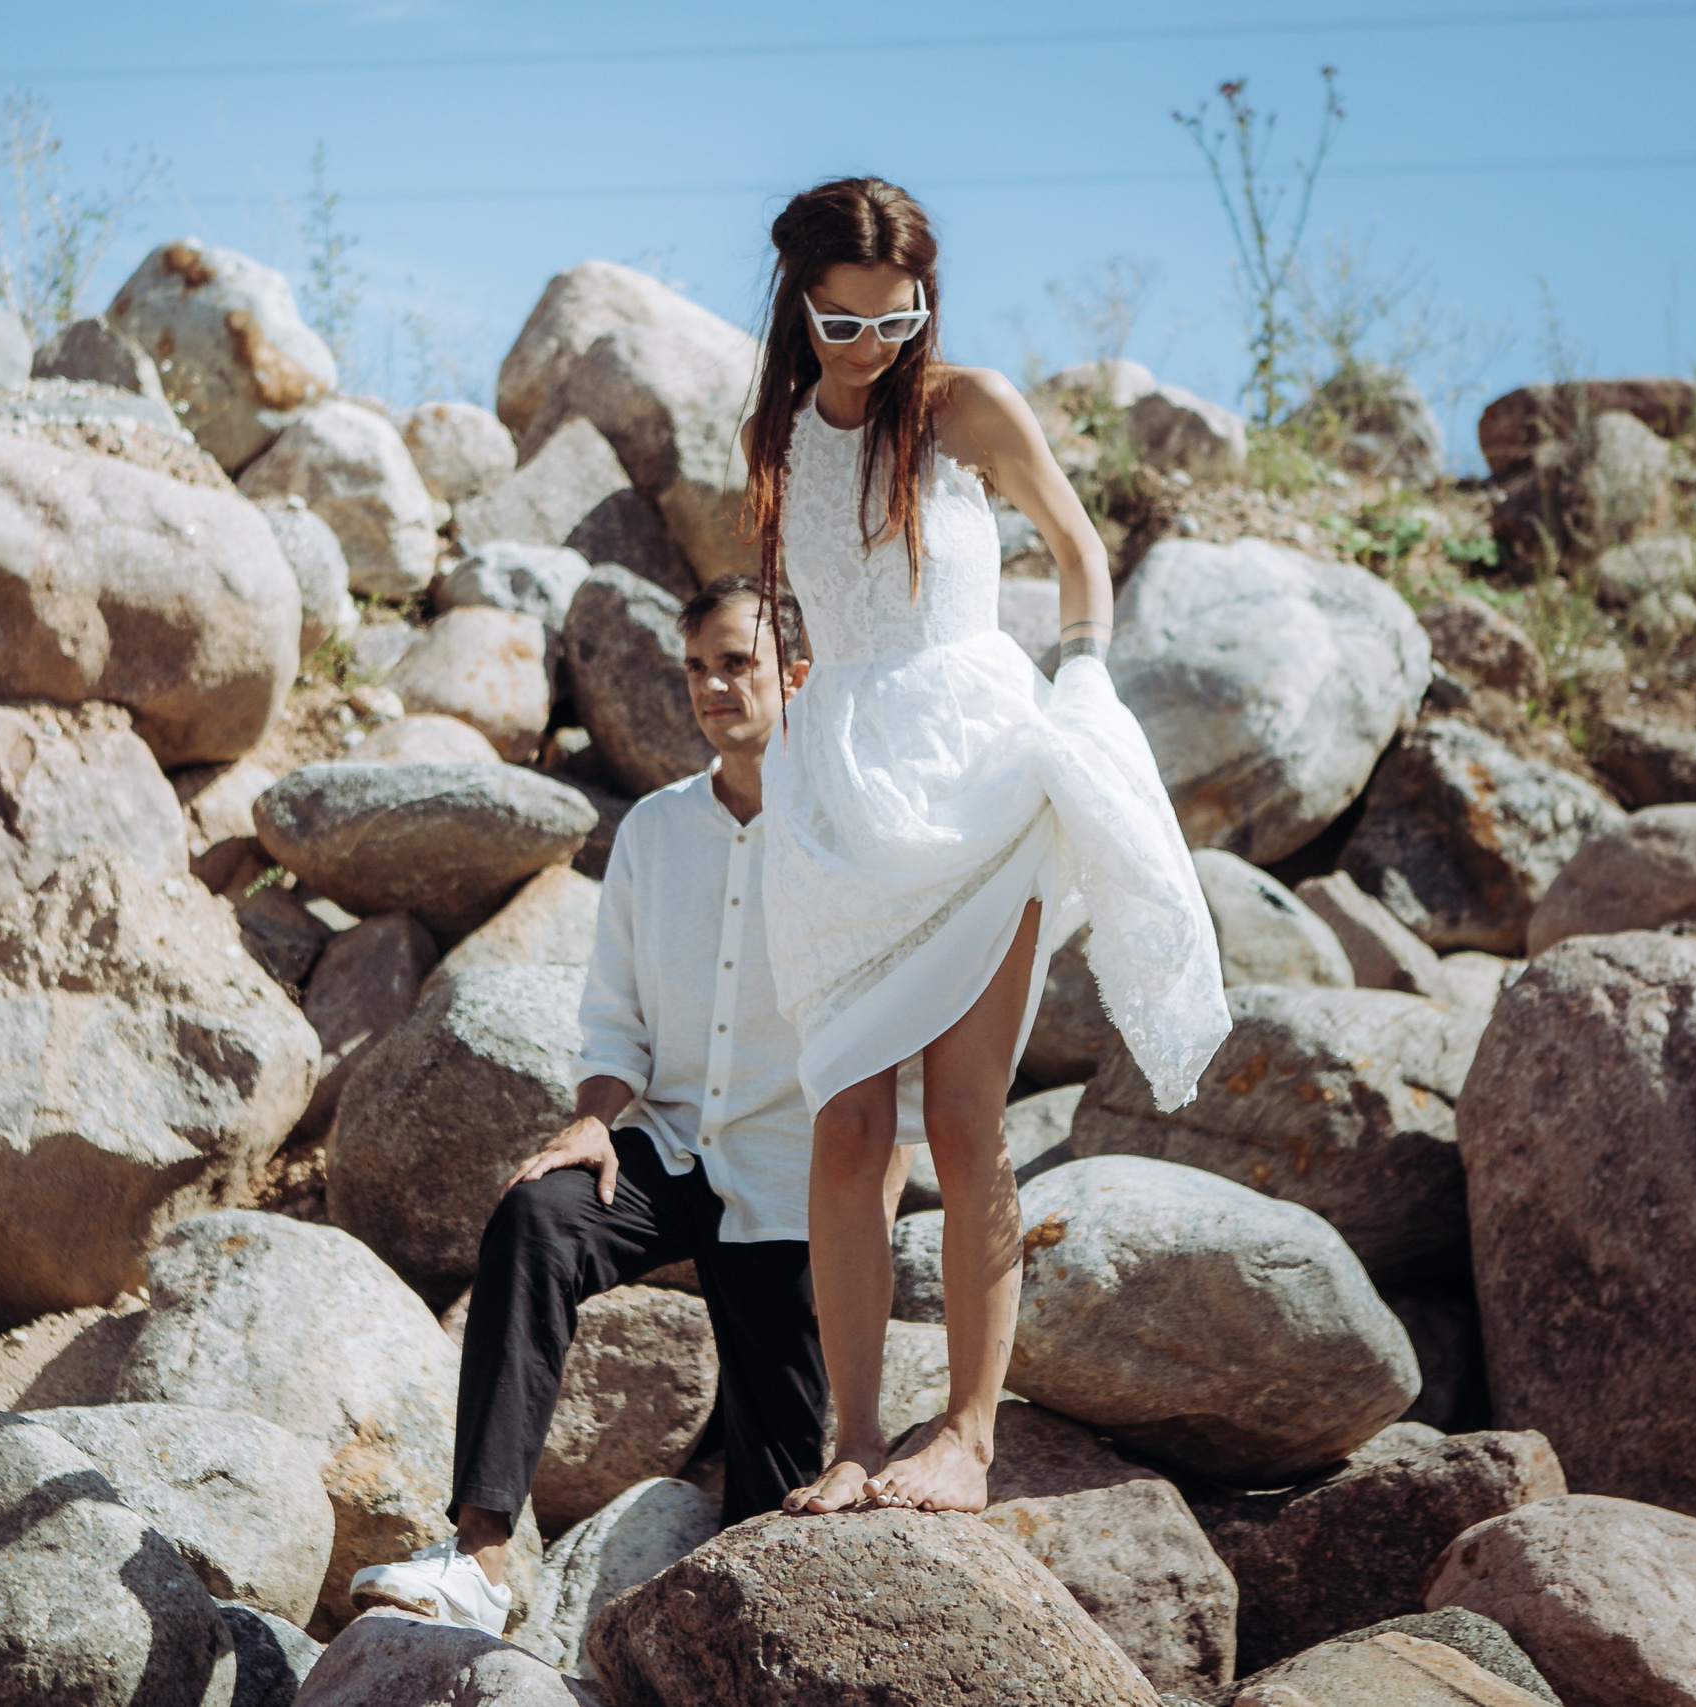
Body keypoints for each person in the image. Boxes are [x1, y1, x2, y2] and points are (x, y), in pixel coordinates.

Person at [746, 178, 1232, 1517]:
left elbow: (1081, 551)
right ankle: (851, 1437)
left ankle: (966, 1433)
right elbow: (808, 615)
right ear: (796, 304)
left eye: (898, 317)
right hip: (839, 795)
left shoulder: (968, 408)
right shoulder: (778, 433)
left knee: (965, 1120)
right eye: (844, 322)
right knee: (846, 1124)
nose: (874, 346)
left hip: (979, 766)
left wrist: (1079, 676)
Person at [345, 575, 909, 1635]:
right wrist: (594, 1114)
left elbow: (899, 1045)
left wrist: (874, 1197)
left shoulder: (852, 834)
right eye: (695, 667)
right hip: (670, 1156)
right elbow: (616, 1026)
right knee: (539, 1215)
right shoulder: (652, 834)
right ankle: (479, 1553)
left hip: (797, 1188)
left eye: (735, 662)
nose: (711, 686)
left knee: (773, 1507)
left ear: (794, 673)